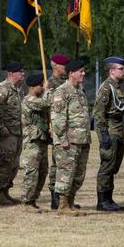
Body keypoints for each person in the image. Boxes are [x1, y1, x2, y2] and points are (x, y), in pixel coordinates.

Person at [50, 59, 91, 216]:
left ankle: (71, 202)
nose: (83, 73)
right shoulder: (62, 91)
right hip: (68, 141)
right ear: (71, 73)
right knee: (66, 173)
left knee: (78, 174)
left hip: (82, 139)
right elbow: (58, 117)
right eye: (80, 71)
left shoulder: (80, 91)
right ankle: (62, 205)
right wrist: (62, 138)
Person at [93, 56, 124, 211]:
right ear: (112, 71)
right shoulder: (106, 88)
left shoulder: (117, 87)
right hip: (110, 130)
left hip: (118, 130)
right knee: (107, 165)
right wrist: (103, 135)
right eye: (121, 69)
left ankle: (109, 198)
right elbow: (98, 113)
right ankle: (102, 201)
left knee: (113, 166)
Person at [0, 61, 25, 205]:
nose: (23, 74)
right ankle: (0, 193)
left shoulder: (18, 89)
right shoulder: (2, 88)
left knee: (14, 164)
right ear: (11, 74)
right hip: (6, 133)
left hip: (17, 132)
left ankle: (6, 191)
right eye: (20, 71)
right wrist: (1, 128)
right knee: (5, 162)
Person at [20, 72, 52, 211]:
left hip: (42, 139)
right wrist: (48, 91)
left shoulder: (37, 98)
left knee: (43, 171)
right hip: (32, 141)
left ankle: (33, 198)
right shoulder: (29, 100)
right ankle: (27, 201)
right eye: (40, 85)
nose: (42, 87)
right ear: (33, 87)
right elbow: (46, 104)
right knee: (32, 172)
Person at [45, 54, 70, 208]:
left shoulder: (65, 83)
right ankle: (55, 196)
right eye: (64, 65)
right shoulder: (50, 83)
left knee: (66, 163)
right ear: (56, 66)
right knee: (57, 163)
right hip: (55, 127)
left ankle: (64, 196)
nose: (66, 68)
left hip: (68, 127)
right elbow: (48, 106)